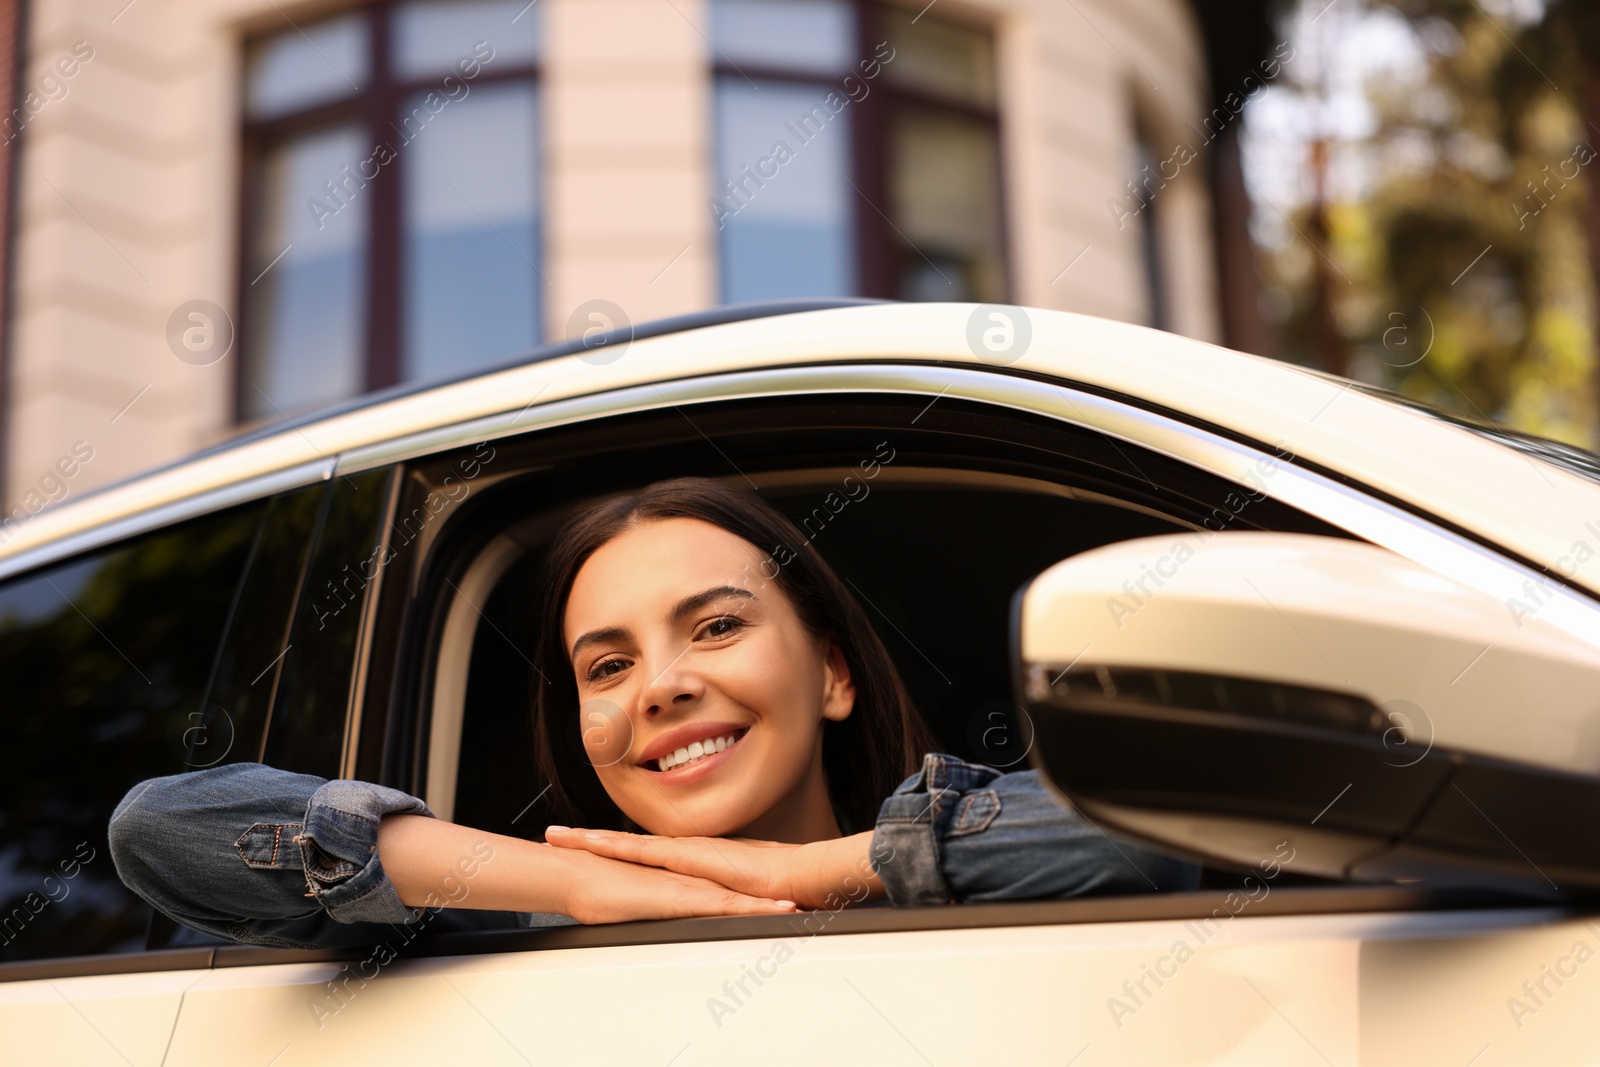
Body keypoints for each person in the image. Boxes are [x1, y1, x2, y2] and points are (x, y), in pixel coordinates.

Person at [109, 477, 1196, 949]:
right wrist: (582, 881)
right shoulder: (500, 941)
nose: (661, 685)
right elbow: (162, 829)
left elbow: (1152, 826)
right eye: (607, 663)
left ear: (831, 672)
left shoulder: (994, 892)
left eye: (715, 627)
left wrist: (812, 872)